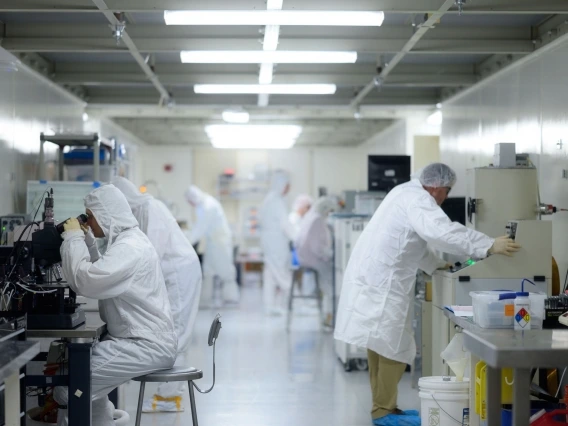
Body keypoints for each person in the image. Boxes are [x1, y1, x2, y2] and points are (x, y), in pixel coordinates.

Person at [334, 163, 521, 426]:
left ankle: (382, 407)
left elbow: (414, 242)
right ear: (436, 188)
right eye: (446, 191)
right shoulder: (419, 200)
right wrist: (488, 244)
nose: (445, 197)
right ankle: (383, 412)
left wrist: (436, 265)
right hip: (384, 284)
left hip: (374, 279)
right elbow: (440, 231)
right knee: (392, 346)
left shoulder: (404, 192)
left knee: (378, 343)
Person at [57, 184, 177, 426]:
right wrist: (89, 243)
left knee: (67, 386)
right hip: (136, 339)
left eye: (90, 216)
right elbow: (105, 273)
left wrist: (72, 237)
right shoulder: (128, 242)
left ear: (106, 215)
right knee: (88, 383)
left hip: (144, 345)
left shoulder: (130, 248)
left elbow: (87, 280)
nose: (88, 222)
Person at [112, 176, 202, 413]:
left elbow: (152, 253)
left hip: (179, 274)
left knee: (177, 331)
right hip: (173, 273)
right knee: (173, 329)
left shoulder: (150, 209)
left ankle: (169, 399)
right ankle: (169, 393)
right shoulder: (142, 209)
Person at [185, 185, 240, 307]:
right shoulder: (202, 205)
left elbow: (200, 229)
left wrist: (186, 242)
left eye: (190, 202)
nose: (191, 204)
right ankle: (205, 300)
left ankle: (231, 298)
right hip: (212, 242)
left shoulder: (209, 206)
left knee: (225, 270)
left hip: (221, 243)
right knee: (208, 270)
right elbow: (198, 227)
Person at [295, 196, 337, 326]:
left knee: (329, 278)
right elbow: (317, 248)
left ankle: (328, 314)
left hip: (306, 257)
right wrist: (330, 255)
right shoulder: (317, 220)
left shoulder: (312, 217)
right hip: (313, 259)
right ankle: (329, 315)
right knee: (332, 279)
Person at [259, 170, 293, 316]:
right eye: (287, 186)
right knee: (282, 275)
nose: (288, 189)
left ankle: (270, 306)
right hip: (276, 244)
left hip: (268, 243)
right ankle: (290, 304)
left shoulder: (269, 199)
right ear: (281, 185)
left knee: (270, 275)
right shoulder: (277, 201)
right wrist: (297, 238)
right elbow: (285, 225)